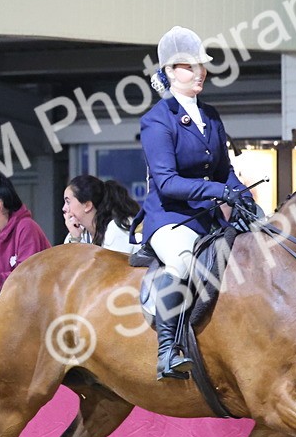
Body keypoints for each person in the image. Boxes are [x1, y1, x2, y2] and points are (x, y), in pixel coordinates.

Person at [139, 25, 255, 380]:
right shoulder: (157, 121)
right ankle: (168, 351)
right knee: (182, 262)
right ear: (171, 72)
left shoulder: (211, 116)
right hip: (170, 218)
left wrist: (245, 199)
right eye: (190, 66)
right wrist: (220, 193)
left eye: (201, 66)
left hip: (206, 218)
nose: (200, 72)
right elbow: (168, 182)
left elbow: (224, 170)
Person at [61, 174, 139, 254]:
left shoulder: (116, 228)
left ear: (87, 205)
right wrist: (74, 239)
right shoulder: (78, 232)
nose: (64, 208)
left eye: (68, 202)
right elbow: (66, 265)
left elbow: (112, 265)